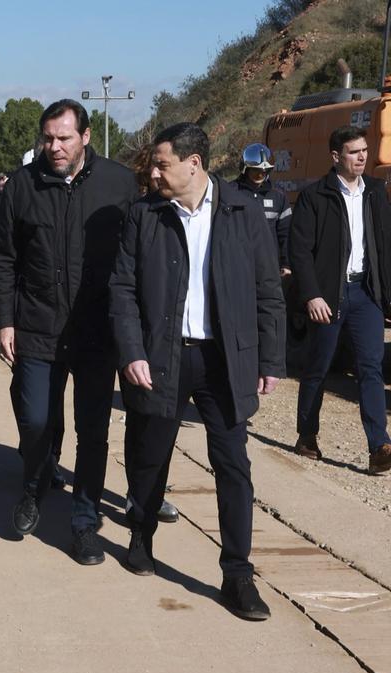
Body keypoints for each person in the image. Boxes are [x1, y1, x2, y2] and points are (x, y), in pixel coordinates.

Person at [110, 122, 284, 620]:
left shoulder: (243, 212)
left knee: (233, 466)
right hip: (161, 356)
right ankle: (141, 534)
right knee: (149, 455)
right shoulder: (145, 214)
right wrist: (132, 351)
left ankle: (237, 574)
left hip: (224, 360)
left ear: (194, 163)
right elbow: (122, 288)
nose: (153, 172)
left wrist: (270, 359)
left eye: (162, 164)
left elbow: (267, 290)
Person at [0, 99, 136, 565]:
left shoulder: (119, 183)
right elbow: (3, 256)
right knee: (35, 420)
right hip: (37, 325)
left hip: (96, 330)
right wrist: (5, 319)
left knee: (93, 431)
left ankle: (84, 522)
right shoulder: (23, 185)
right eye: (47, 138)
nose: (54, 147)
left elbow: (136, 258)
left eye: (64, 138)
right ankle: (35, 482)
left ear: (86, 137)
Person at [288, 125, 391, 472]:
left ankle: (379, 445)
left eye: (364, 150)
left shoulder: (376, 192)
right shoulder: (315, 196)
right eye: (354, 151)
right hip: (330, 294)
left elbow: (385, 244)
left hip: (366, 292)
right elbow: (300, 251)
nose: (362, 156)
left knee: (370, 367)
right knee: (318, 367)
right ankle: (307, 435)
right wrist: (312, 295)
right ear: (336, 157)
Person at [233, 143, 291, 276]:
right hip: (238, 267)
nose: (260, 175)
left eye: (264, 172)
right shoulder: (231, 193)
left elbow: (286, 233)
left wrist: (286, 263)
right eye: (256, 170)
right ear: (245, 169)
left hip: (271, 270)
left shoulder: (278, 196)